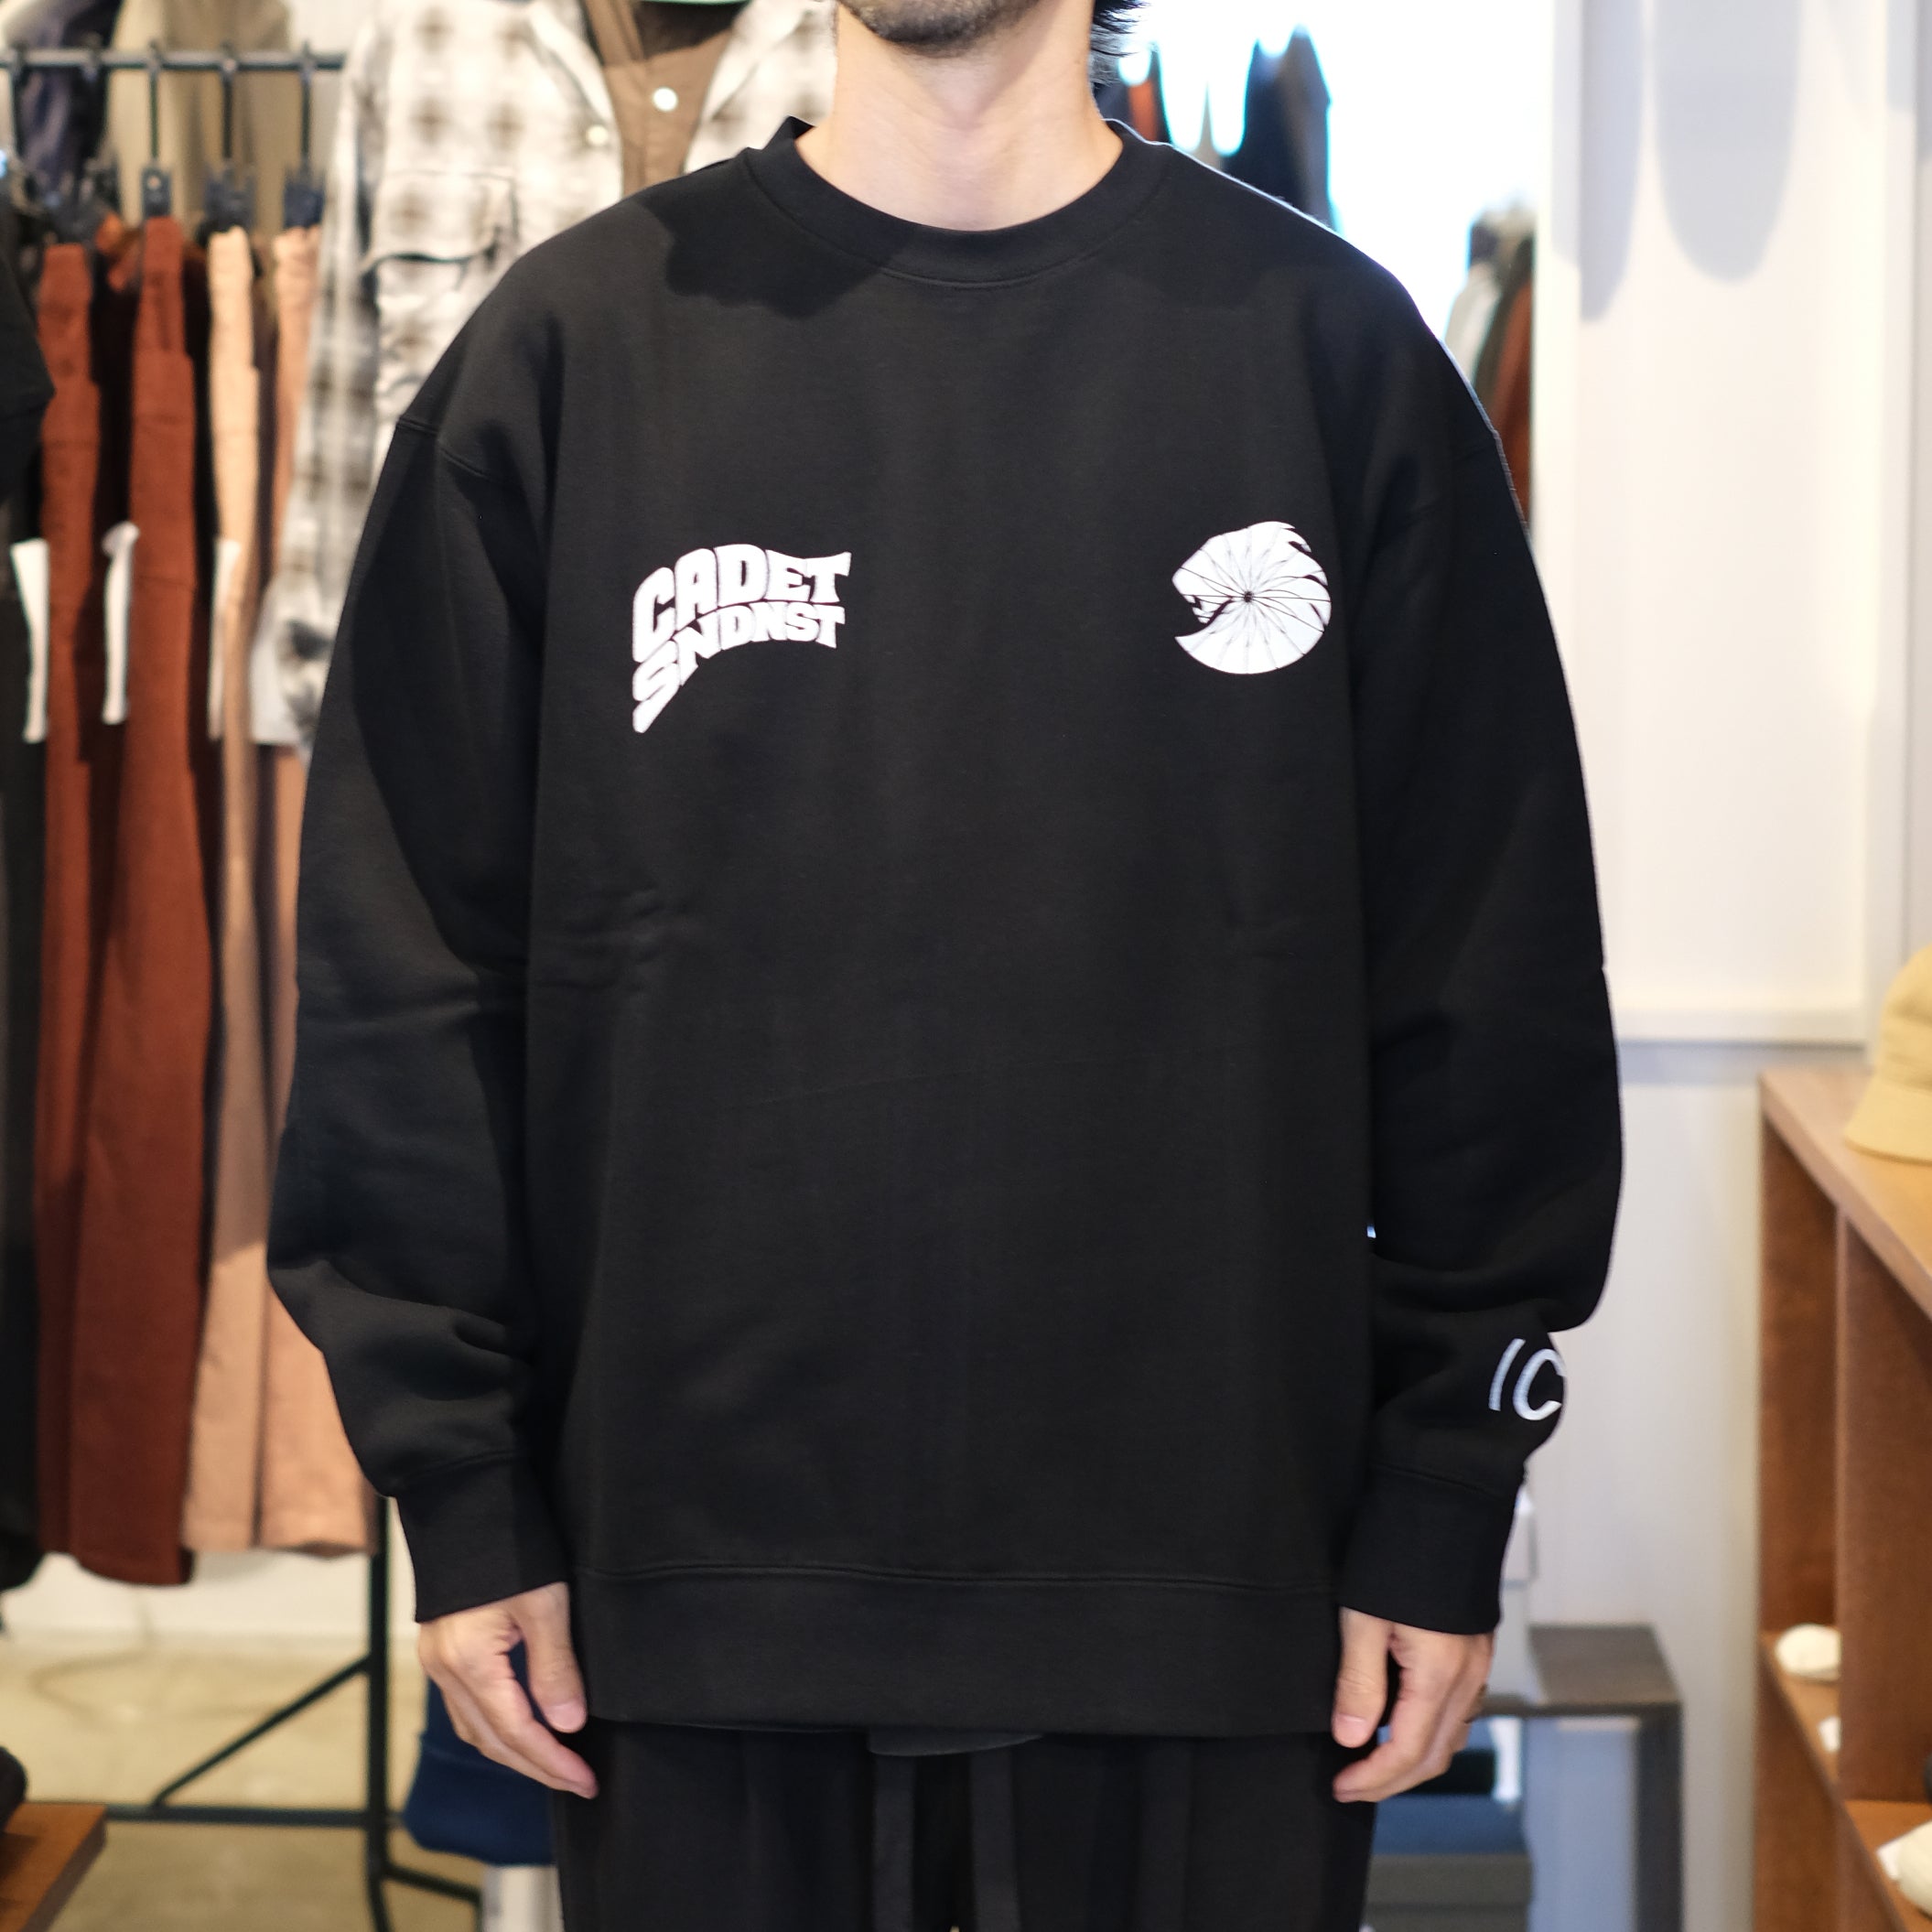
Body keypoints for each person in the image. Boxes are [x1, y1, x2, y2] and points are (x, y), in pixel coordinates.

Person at [267, 0, 1624, 1925]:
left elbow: (1490, 980)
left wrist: (1445, 1483)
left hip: (1222, 1602)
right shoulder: (569, 355)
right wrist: (460, 1483)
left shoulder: (1336, 357)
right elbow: (409, 974)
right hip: (691, 1604)